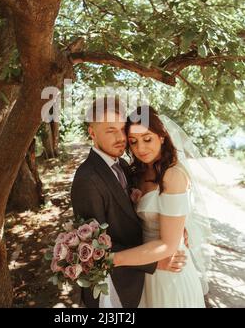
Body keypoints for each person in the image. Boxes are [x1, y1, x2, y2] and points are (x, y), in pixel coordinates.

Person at [71, 98, 187, 308]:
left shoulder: (124, 165)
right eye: (110, 130)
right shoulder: (88, 179)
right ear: (92, 133)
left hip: (145, 279)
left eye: (122, 129)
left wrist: (175, 224)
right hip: (115, 287)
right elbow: (94, 245)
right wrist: (155, 262)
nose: (120, 138)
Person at [112, 105, 210, 308]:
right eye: (134, 142)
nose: (141, 148)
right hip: (144, 266)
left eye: (147, 139)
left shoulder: (172, 175)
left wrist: (111, 259)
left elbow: (168, 244)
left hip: (170, 270)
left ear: (162, 137)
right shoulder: (136, 173)